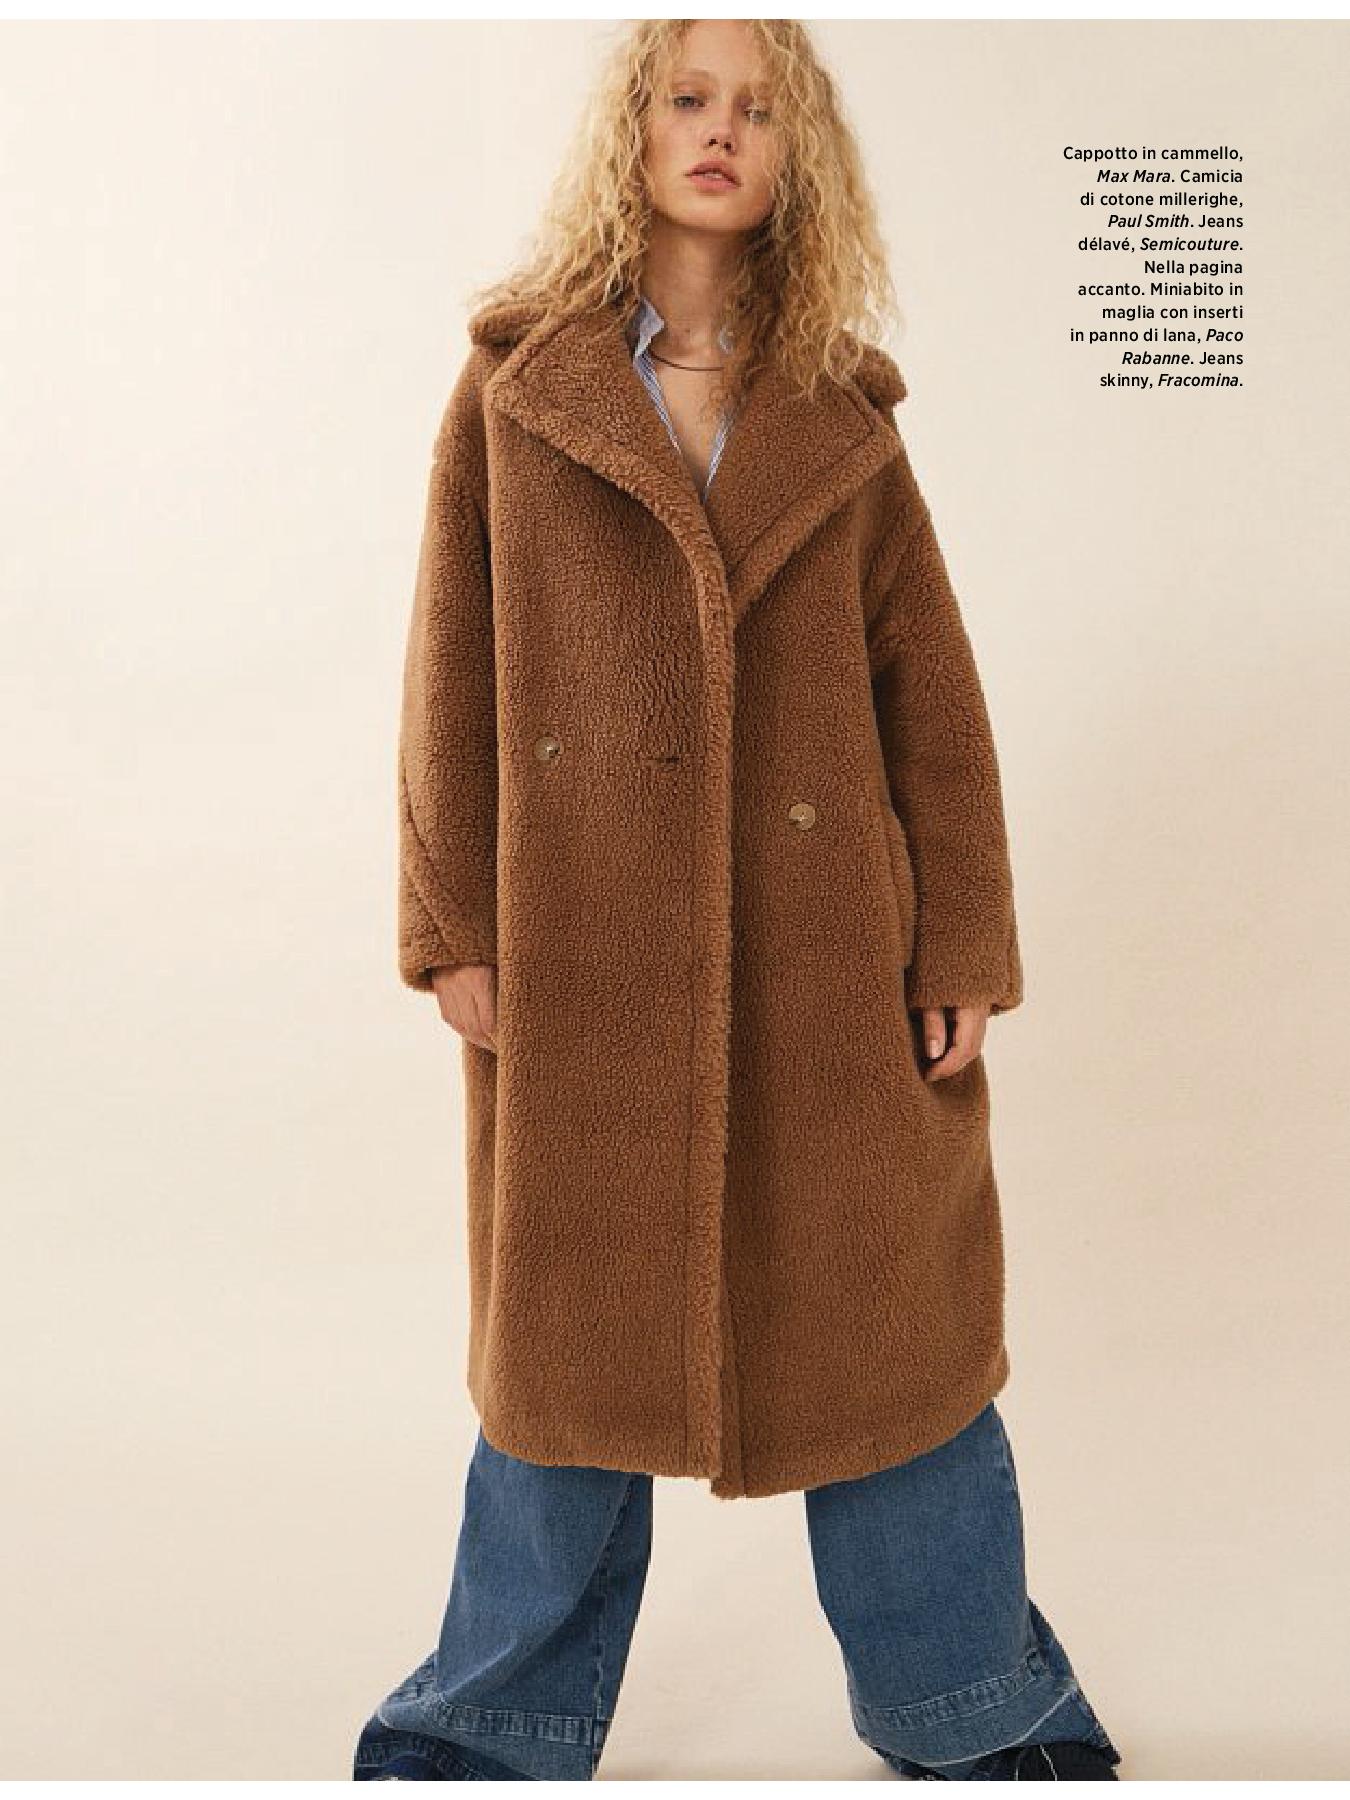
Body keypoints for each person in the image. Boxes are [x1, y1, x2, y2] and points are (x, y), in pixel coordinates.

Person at [355, 18, 1123, 1782]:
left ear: (801, 159)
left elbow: (930, 693)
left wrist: (961, 939)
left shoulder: (841, 417)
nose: (719, 131)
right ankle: (492, 1718)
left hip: (828, 949)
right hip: (582, 945)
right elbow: (448, 669)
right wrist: (449, 922)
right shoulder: (518, 390)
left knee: (891, 1337)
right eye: (687, 97)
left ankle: (972, 1707)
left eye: (759, 109)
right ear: (630, 131)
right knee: (560, 1357)